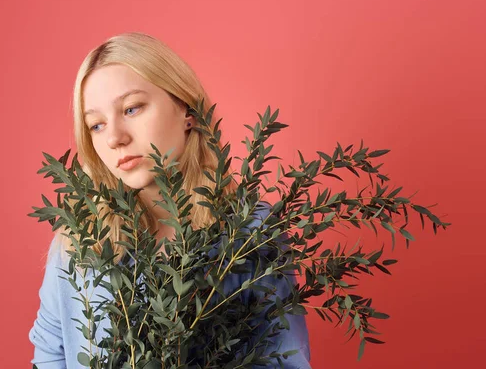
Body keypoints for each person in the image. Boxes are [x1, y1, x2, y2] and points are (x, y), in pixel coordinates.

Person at [28, 32, 311, 368]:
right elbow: (51, 354)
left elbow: (283, 359)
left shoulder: (247, 233)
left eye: (132, 108)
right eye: (97, 125)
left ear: (186, 111)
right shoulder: (77, 240)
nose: (116, 138)